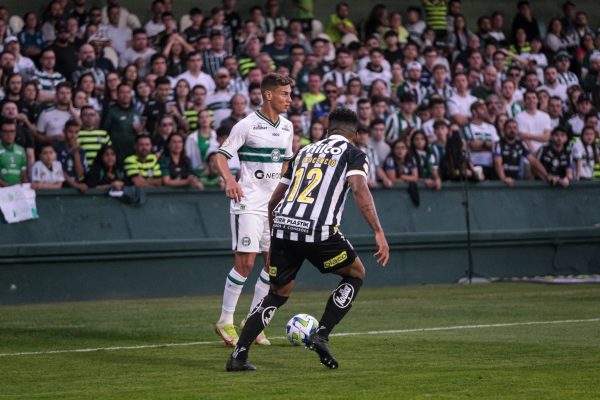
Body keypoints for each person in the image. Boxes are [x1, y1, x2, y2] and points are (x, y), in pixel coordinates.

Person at [225, 107, 390, 372]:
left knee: (277, 293)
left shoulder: (304, 150)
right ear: (355, 135)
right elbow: (359, 189)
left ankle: (238, 356)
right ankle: (321, 333)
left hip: (283, 226)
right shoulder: (353, 154)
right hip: (318, 230)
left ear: (327, 129)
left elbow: (275, 199)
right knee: (356, 273)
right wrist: (378, 231)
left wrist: (275, 235)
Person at [214, 73, 295, 347]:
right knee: (245, 264)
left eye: (290, 94)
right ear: (268, 95)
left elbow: (285, 164)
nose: (289, 99)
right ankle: (225, 321)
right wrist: (230, 180)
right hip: (248, 202)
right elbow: (221, 156)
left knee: (272, 266)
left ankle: (253, 323)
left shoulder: (287, 127)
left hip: (273, 207)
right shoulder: (246, 125)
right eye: (285, 94)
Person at [493, 119, 546, 186]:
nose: (512, 130)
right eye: (509, 127)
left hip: (515, 180)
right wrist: (504, 178)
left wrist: (547, 175)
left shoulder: (520, 145)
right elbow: (498, 163)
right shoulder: (498, 144)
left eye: (514, 128)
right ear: (504, 129)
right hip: (499, 182)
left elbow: (533, 161)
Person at [0, 118, 27, 187]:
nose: (9, 134)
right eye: (6, 131)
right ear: (1, 132)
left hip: (16, 192)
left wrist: (21, 184)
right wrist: (7, 186)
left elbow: (23, 173)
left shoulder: (21, 150)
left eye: (12, 131)